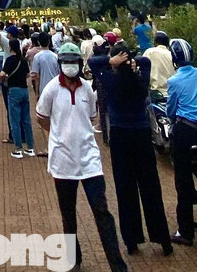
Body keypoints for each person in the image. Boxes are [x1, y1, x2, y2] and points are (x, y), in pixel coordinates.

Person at [35, 44, 128, 272]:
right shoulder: (51, 90)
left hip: (89, 161)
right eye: (66, 62)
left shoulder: (87, 89)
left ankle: (117, 264)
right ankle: (73, 260)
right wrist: (58, 135)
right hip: (62, 162)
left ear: (79, 64)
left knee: (102, 212)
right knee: (68, 215)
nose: (70, 67)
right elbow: (42, 118)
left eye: (73, 62)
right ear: (60, 64)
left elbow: (91, 117)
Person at [89, 42, 172, 257]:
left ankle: (131, 240)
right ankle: (162, 237)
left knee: (125, 189)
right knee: (151, 187)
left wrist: (110, 61)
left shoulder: (110, 80)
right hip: (141, 134)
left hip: (120, 136)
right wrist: (130, 60)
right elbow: (145, 61)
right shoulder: (141, 80)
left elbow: (91, 62)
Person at [161, 38, 197, 246]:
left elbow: (171, 110)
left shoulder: (174, 81)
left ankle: (185, 231)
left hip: (185, 132)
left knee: (183, 181)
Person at [0, 36, 35, 157]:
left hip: (13, 90)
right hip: (24, 90)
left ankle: (18, 149)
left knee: (14, 120)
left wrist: (6, 80)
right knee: (26, 120)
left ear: (10, 47)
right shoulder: (23, 60)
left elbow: (2, 74)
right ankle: (30, 148)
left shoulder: (9, 60)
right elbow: (27, 75)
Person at [29, 33, 60, 152]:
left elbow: (36, 76)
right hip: (56, 89)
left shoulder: (38, 57)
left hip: (43, 89)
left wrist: (36, 93)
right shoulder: (55, 56)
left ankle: (48, 147)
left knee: (43, 118)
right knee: (55, 117)